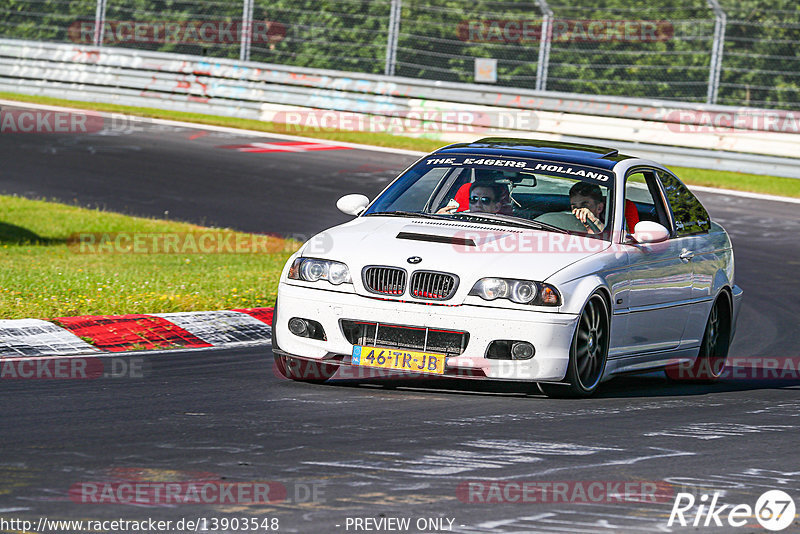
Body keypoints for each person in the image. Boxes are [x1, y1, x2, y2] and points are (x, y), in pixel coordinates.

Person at [437, 181, 508, 214]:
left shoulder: (507, 226)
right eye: (474, 199)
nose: (478, 205)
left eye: (485, 200)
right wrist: (439, 218)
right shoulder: (457, 217)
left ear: (496, 207)